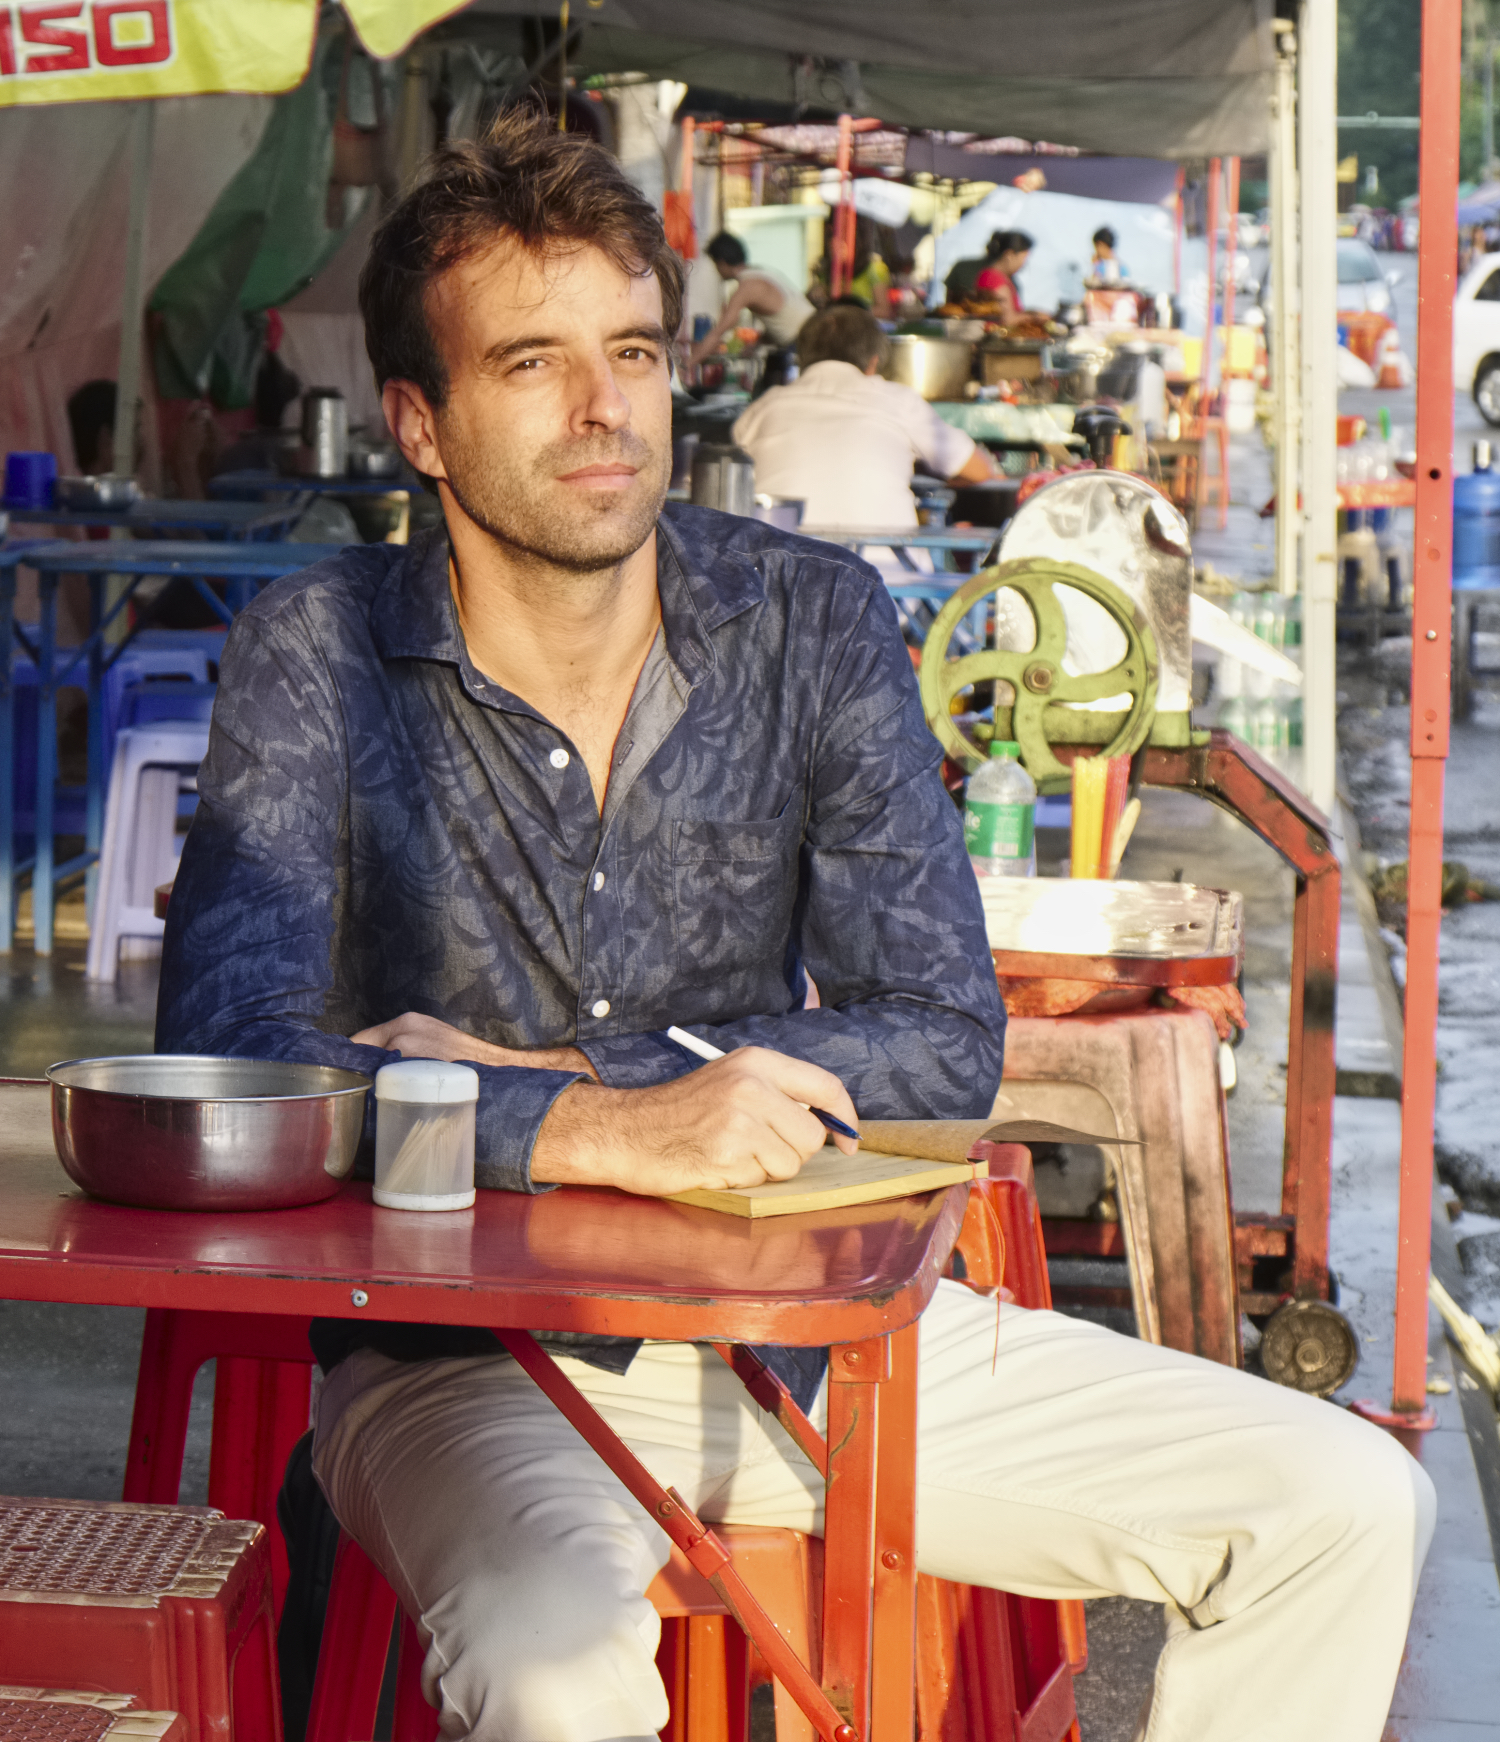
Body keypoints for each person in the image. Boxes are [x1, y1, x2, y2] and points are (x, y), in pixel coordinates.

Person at [157, 110, 1433, 1742]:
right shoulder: (317, 650)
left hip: (819, 1342)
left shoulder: (809, 619)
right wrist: (594, 1131)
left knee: (1343, 1500)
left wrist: (575, 1085)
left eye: (631, 351)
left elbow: (943, 1038)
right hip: (469, 1366)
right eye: (533, 363)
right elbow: (226, 1053)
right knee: (551, 1667)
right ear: (419, 422)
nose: (605, 404)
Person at [732, 303, 998, 528]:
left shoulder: (762, 408)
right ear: (874, 361)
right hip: (882, 570)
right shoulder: (898, 401)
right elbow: (979, 470)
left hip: (778, 569)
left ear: (801, 357)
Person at [687, 231, 814, 366]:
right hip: (813, 330)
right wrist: (757, 341)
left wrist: (689, 364)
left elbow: (718, 332)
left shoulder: (747, 287)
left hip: (806, 340)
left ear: (722, 263)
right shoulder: (761, 273)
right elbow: (782, 318)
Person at [975, 230, 1032, 324]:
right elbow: (1007, 319)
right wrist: (1036, 318)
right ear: (1009, 255)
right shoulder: (993, 279)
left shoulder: (992, 276)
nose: (1023, 264)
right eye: (1023, 258)